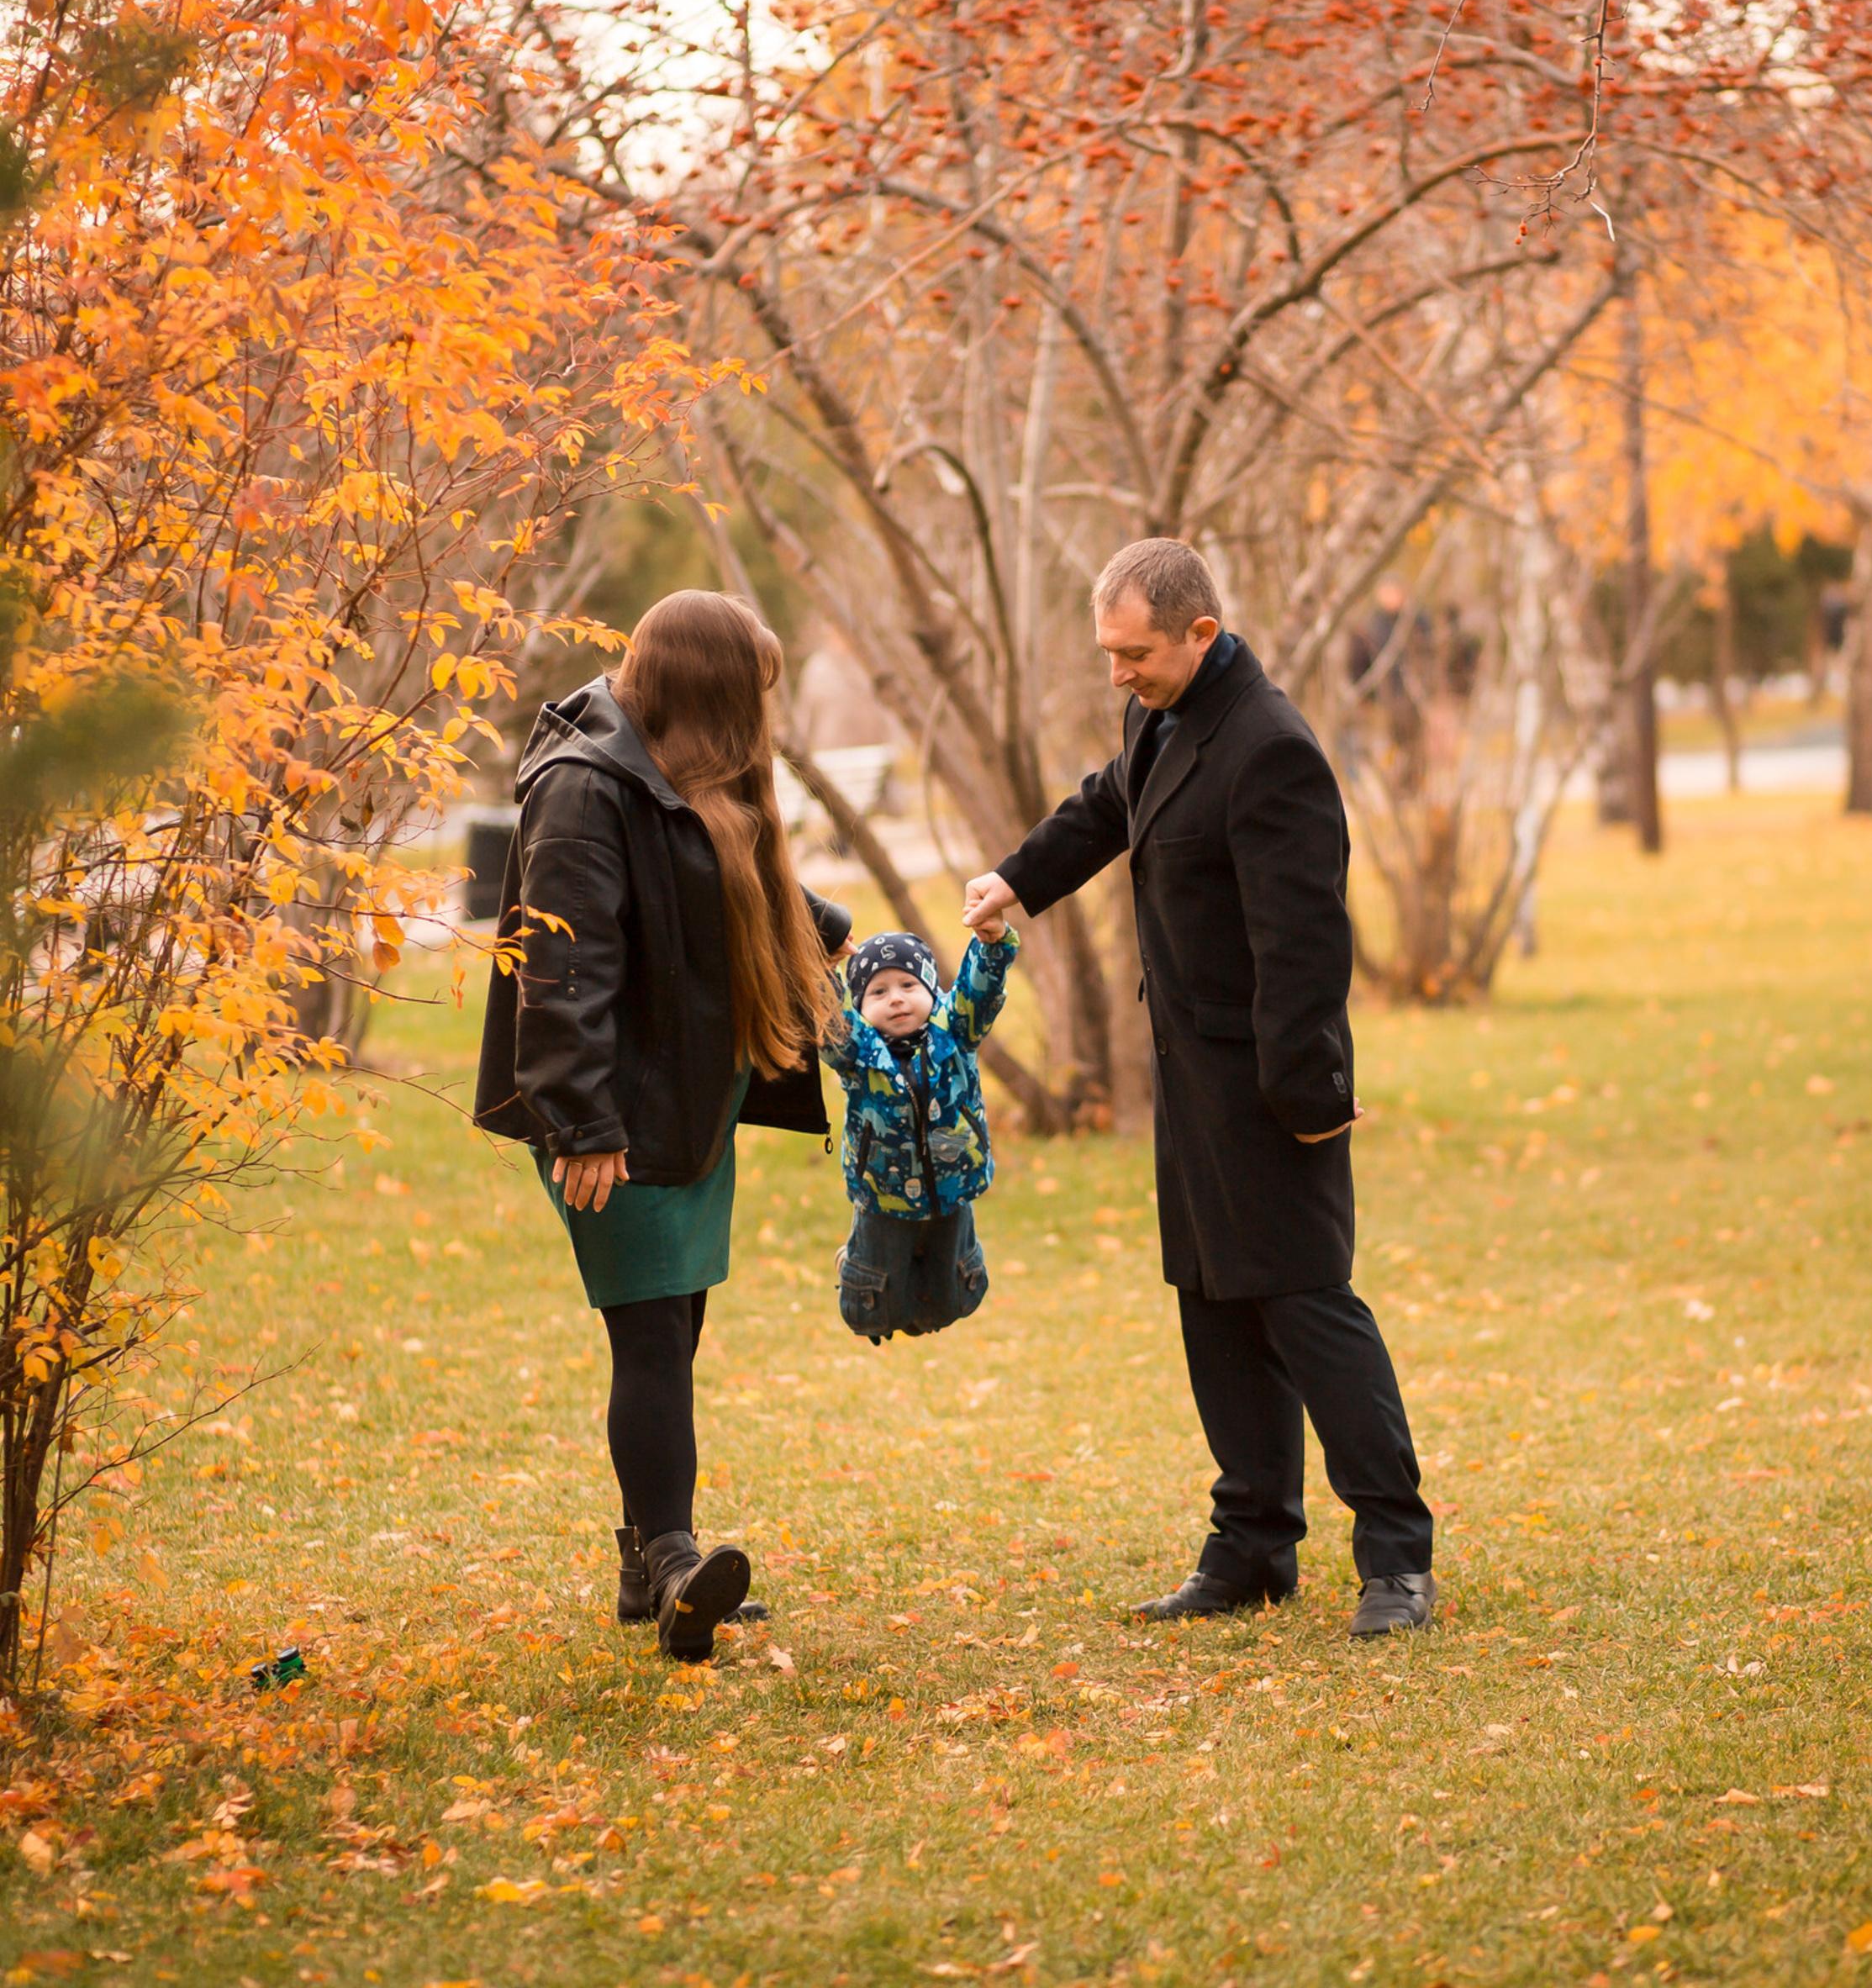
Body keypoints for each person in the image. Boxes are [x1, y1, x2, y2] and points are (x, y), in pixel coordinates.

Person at [962, 540, 1437, 1639]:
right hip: (1189, 1079)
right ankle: (1254, 1547)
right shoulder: (1160, 718)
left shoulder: (1271, 749)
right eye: (1109, 654)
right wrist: (1018, 877)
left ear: (1201, 635)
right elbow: (1105, 807)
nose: (1117, 673)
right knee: (1215, 1309)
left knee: (1311, 1310)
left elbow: (1308, 943)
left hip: (1274, 1090)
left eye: (1135, 653)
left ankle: (1397, 1561)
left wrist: (1309, 1096)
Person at [473, 592, 851, 1662]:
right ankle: (680, 1562)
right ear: (701, 689)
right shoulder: (583, 788)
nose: (753, 724)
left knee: (675, 1323)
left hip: (685, 1092)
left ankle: (646, 1566)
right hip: (613, 1106)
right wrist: (582, 1120)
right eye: (746, 697)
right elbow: (563, 962)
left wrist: (843, 943)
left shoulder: (664, 765)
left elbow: (715, 878)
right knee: (647, 1329)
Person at [823, 918, 1018, 1344]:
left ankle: (924, 1295)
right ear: (861, 1003)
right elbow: (827, 1021)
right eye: (879, 991)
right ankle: (854, 1261)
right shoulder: (858, 1052)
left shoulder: (956, 1031)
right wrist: (824, 970)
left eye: (908, 986)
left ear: (932, 989)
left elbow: (978, 993)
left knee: (955, 1298)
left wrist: (991, 945)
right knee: (871, 1309)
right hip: (884, 1190)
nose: (896, 999)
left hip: (951, 1183)